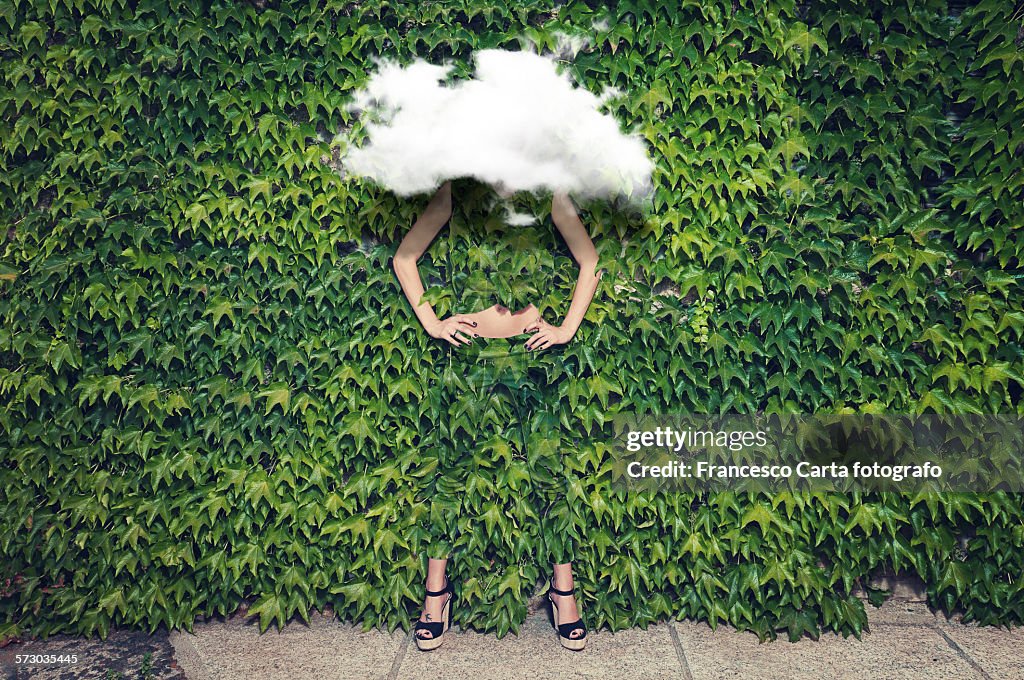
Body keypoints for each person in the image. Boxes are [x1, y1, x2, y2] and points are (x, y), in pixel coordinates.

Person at [391, 179, 601, 651]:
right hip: (469, 360)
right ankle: (436, 595)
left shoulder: (547, 190)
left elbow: (589, 261)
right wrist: (433, 322)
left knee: (548, 476)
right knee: (450, 477)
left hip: (531, 356)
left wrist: (566, 328)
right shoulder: (456, 191)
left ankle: (563, 594)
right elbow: (405, 258)